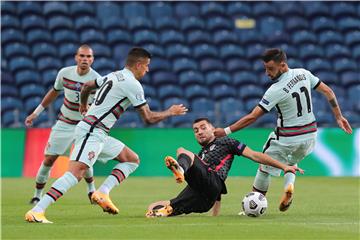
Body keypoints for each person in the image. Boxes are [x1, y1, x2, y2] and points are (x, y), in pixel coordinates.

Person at [25, 47, 188, 223]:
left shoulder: (114, 74)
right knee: (75, 174)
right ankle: (37, 210)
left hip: (98, 131)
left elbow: (87, 85)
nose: (147, 70)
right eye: (147, 66)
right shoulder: (133, 84)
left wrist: (82, 105)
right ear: (139, 64)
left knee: (131, 159)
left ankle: (102, 193)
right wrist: (170, 112)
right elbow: (148, 118)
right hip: (92, 131)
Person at [214, 48, 352, 212]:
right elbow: (328, 91)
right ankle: (289, 186)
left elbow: (252, 117)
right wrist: (338, 116)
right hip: (310, 137)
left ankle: (251, 207)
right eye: (265, 68)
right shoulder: (304, 73)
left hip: (287, 138)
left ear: (283, 65)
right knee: (291, 163)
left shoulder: (276, 90)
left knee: (264, 166)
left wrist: (226, 131)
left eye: (270, 69)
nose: (267, 73)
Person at [146, 118, 303, 218]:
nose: (199, 132)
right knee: (153, 207)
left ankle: (180, 169)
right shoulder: (201, 155)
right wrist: (215, 216)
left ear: (213, 129)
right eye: (196, 130)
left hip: (211, 182)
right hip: (202, 199)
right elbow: (217, 192)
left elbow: (255, 155)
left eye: (203, 127)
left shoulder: (226, 142)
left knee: (182, 151)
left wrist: (284, 166)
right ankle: (165, 210)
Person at [25, 44, 100, 205]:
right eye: (82, 56)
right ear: (76, 57)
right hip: (64, 123)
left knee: (84, 161)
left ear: (92, 59)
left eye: (88, 56)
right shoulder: (65, 73)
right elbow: (53, 92)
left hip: (83, 126)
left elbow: (99, 106)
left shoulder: (96, 80)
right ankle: (37, 194)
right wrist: (35, 113)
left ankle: (91, 191)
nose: (85, 59)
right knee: (49, 160)